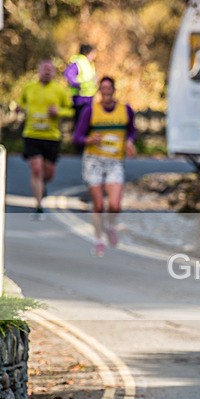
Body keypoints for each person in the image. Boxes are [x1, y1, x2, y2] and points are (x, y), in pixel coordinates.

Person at [73, 76, 137, 257]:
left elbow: (132, 131)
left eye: (109, 88)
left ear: (114, 90)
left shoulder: (126, 110)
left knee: (115, 204)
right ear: (99, 91)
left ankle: (110, 225)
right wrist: (89, 139)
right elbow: (77, 137)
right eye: (103, 88)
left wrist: (130, 142)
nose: (106, 91)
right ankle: (99, 240)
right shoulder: (90, 111)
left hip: (115, 161)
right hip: (93, 160)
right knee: (99, 204)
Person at [19, 59, 74, 220]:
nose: (47, 71)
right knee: (36, 169)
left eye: (50, 69)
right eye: (44, 68)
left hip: (51, 136)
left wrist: (59, 112)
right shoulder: (29, 88)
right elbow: (22, 104)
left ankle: (42, 186)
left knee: (48, 174)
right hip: (31, 134)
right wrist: (22, 109)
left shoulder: (60, 90)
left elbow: (70, 111)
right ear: (39, 71)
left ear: (54, 73)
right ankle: (39, 206)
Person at [64, 44, 98, 127]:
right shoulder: (79, 62)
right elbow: (69, 75)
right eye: (93, 53)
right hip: (80, 99)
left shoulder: (88, 63)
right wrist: (79, 85)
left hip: (88, 98)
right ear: (87, 53)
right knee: (80, 124)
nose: (95, 56)